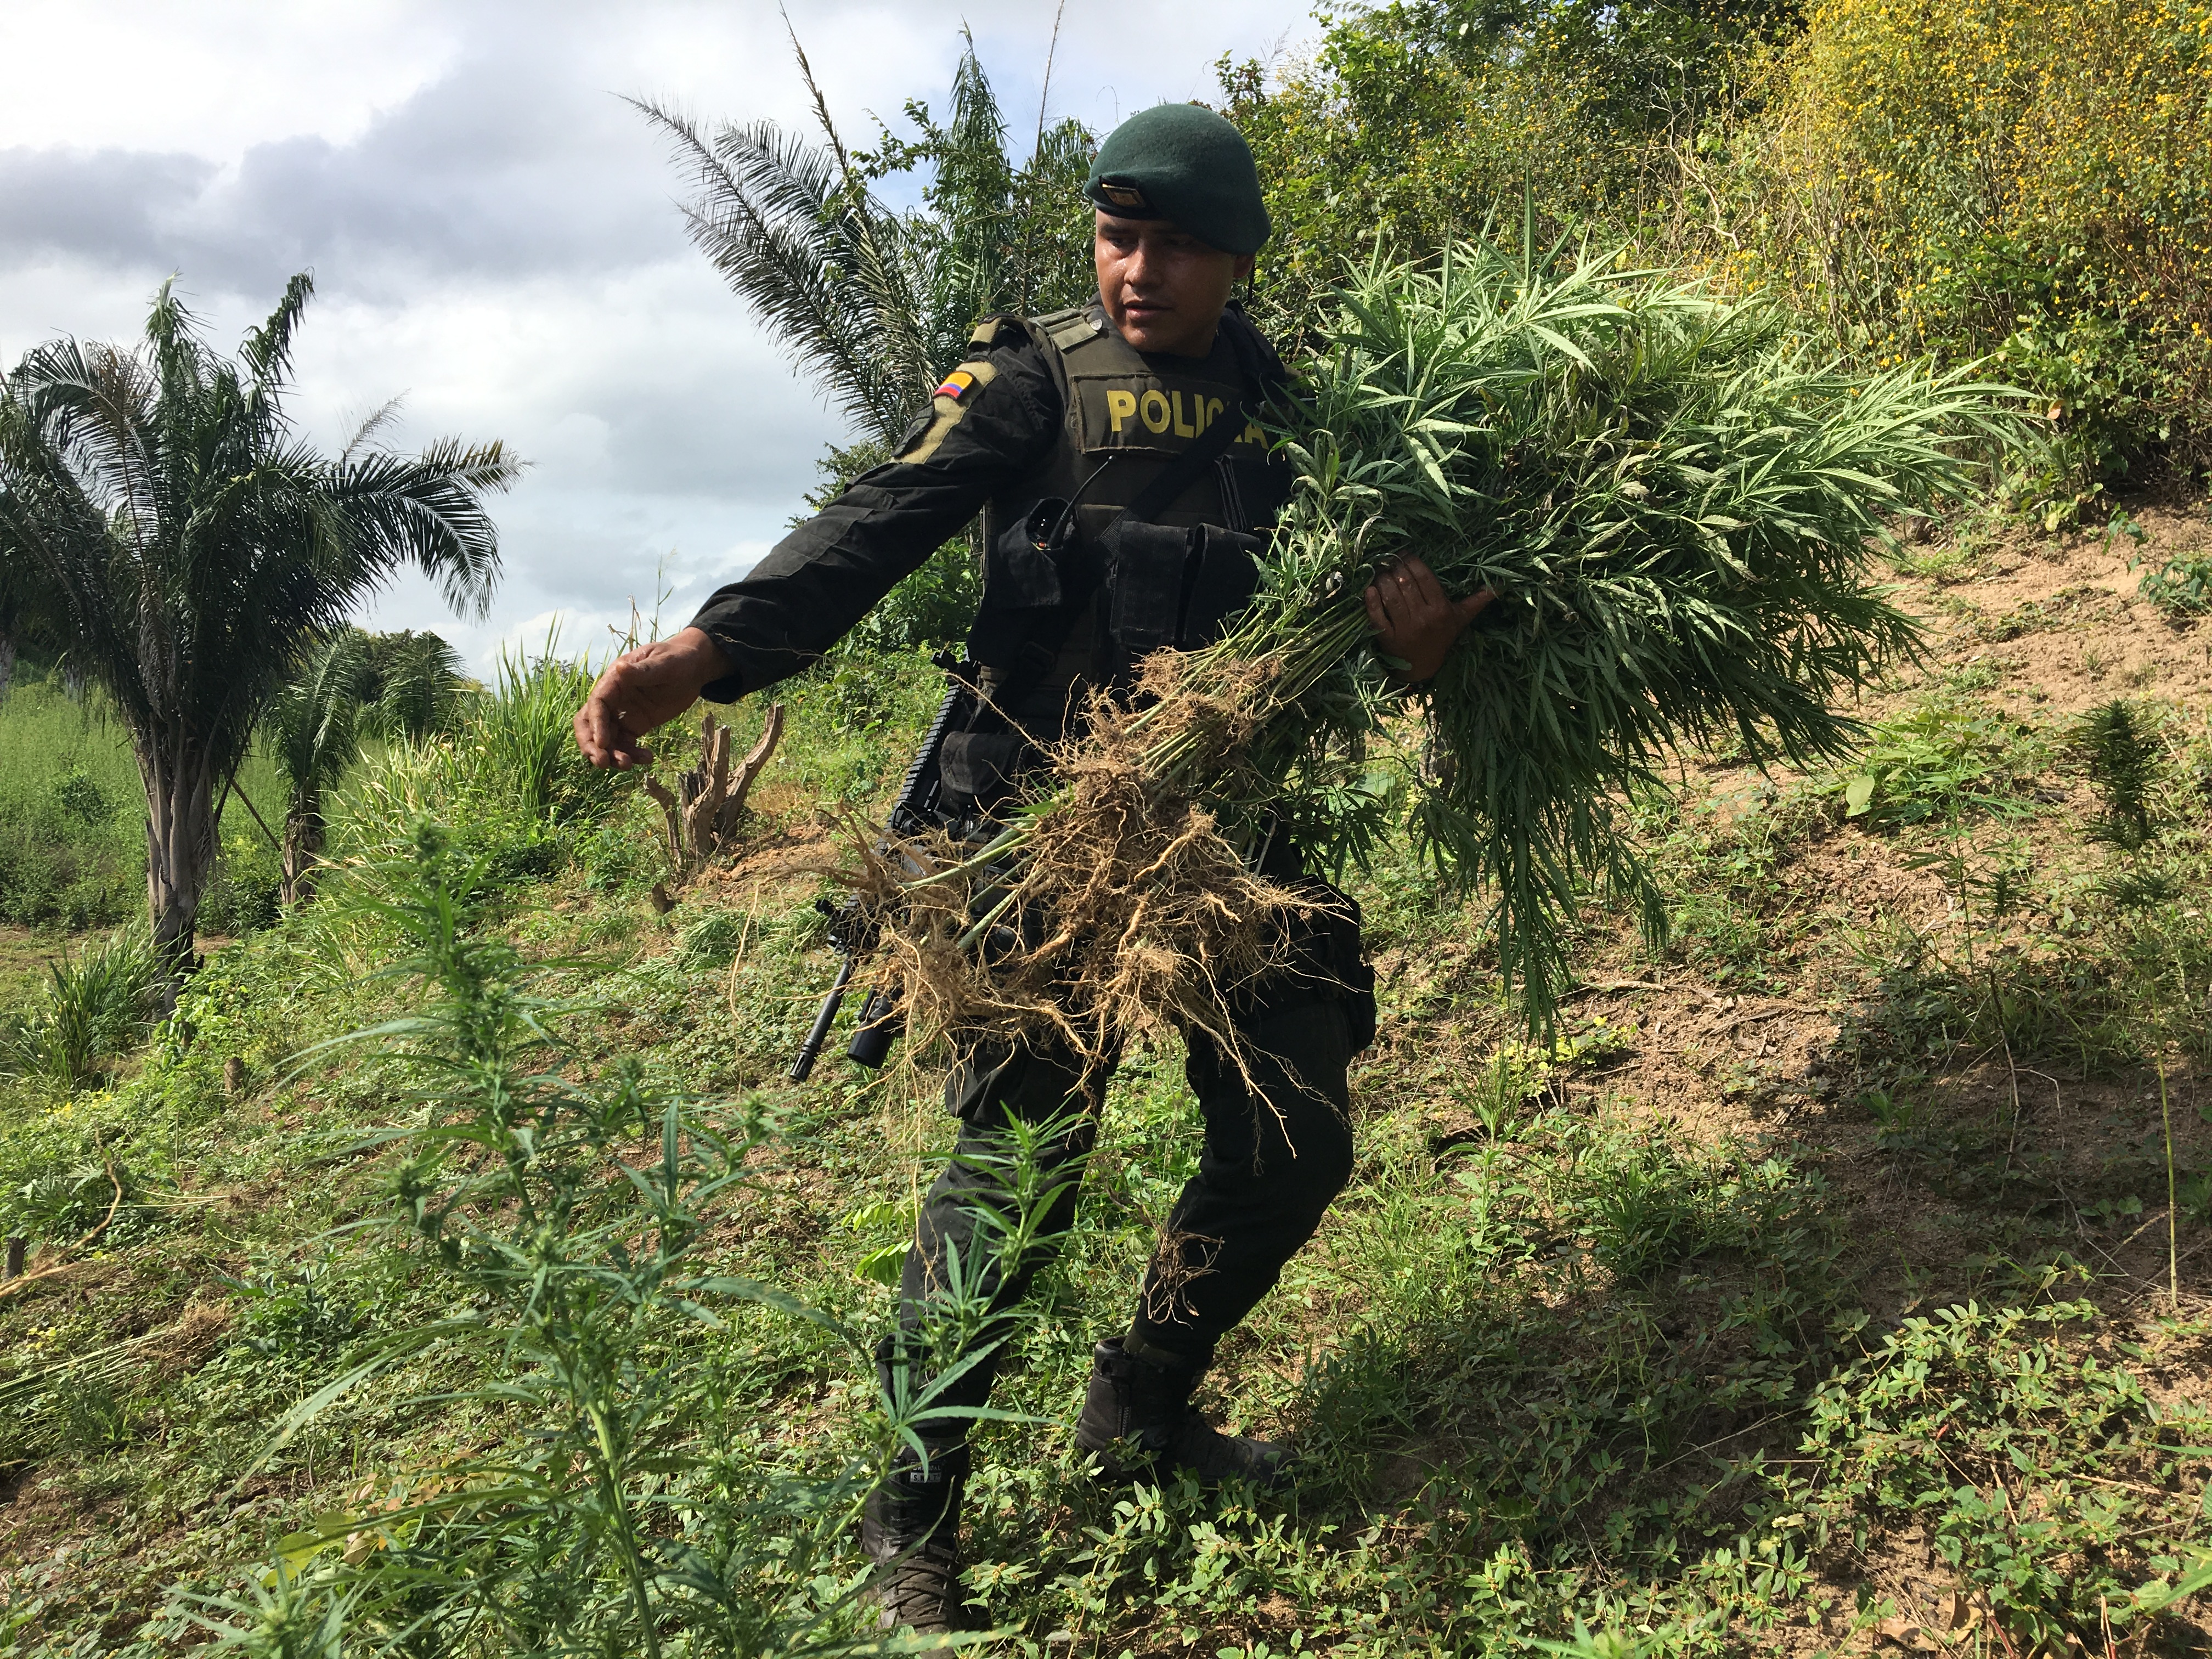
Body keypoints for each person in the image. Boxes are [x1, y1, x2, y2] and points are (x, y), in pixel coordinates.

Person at [574, 101, 1491, 1635]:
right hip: (1029, 833)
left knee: (1298, 1139)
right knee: (1014, 1178)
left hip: (1227, 831)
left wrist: (1423, 650)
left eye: (1179, 246)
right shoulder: (1031, 384)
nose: (1142, 271)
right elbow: (872, 527)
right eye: (1121, 237)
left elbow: (1370, 619)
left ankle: (1144, 1400)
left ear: (1241, 261)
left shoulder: (1304, 413)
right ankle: (912, 1512)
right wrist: (705, 653)